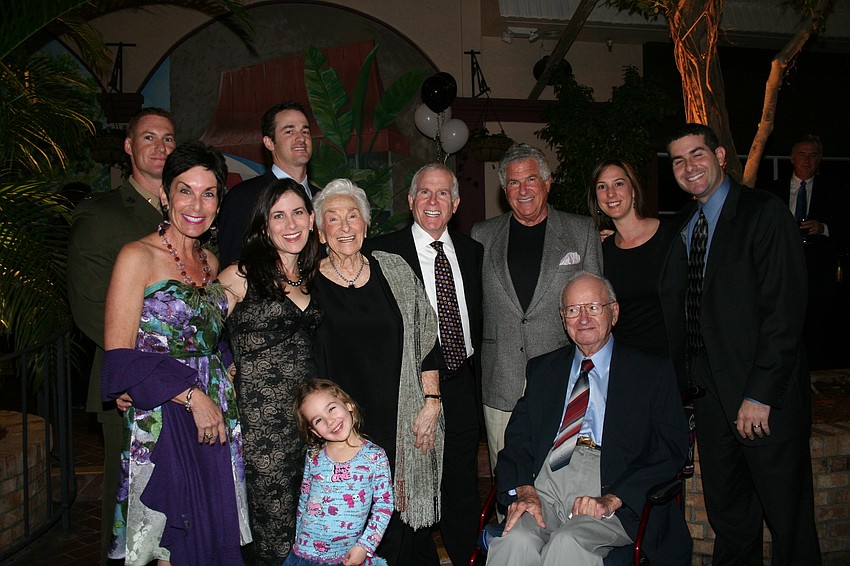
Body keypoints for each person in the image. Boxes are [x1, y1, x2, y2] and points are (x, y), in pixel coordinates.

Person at [659, 123, 820, 564]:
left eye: (697, 154)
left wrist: (760, 394)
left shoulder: (763, 213)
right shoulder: (685, 225)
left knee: (788, 520)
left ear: (720, 157)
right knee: (730, 518)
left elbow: (784, 312)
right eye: (678, 160)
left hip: (761, 397)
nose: (688, 167)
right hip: (709, 397)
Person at [101, 141, 251, 565]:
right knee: (172, 540)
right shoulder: (137, 256)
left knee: (210, 530)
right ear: (165, 195)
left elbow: (207, 335)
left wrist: (227, 365)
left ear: (219, 203)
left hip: (217, 409)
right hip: (164, 411)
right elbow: (118, 356)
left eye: (208, 194)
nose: (196, 205)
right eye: (185, 190)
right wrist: (192, 397)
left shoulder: (210, 261)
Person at [487, 272, 690, 566]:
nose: (583, 318)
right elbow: (519, 439)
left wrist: (613, 499)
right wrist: (526, 491)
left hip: (612, 485)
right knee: (516, 540)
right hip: (548, 484)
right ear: (563, 318)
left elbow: (671, 449)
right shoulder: (544, 370)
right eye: (573, 310)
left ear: (614, 312)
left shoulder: (650, 372)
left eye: (593, 307)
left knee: (568, 542)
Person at [312, 179, 443, 566]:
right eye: (333, 219)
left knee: (398, 526)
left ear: (366, 225)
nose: (345, 226)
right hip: (340, 430)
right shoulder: (307, 284)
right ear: (320, 232)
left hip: (399, 422)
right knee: (351, 525)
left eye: (353, 216)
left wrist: (432, 402)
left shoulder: (394, 269)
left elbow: (427, 338)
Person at [67, 107, 176, 565]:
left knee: (178, 512)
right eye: (148, 137)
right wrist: (136, 372)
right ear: (129, 146)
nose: (160, 147)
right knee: (129, 514)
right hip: (130, 388)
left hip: (190, 384)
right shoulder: (102, 214)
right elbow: (90, 305)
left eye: (168, 139)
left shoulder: (191, 210)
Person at [368, 163, 483, 565]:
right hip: (409, 386)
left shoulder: (472, 251)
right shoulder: (381, 253)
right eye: (424, 193)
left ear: (456, 203)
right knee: (411, 481)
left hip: (462, 380)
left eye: (442, 193)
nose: (433, 201)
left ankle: (467, 557)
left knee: (461, 482)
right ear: (410, 200)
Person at [471, 143, 603, 476]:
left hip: (564, 379)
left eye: (531, 179)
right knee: (507, 480)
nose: (523, 190)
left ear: (547, 182)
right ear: (505, 190)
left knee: (561, 476)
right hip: (501, 381)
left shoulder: (581, 231)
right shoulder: (482, 235)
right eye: (514, 183)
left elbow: (596, 310)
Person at [218, 178, 323, 565]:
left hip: (311, 427)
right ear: (264, 226)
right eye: (278, 216)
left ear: (311, 219)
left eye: (298, 213)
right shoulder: (240, 276)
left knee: (310, 529)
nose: (290, 224)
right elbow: (195, 334)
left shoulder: (315, 276)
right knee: (273, 537)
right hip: (261, 431)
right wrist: (224, 366)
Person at [285, 378, 394, 566]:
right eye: (319, 420)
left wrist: (365, 546)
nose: (329, 421)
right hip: (304, 554)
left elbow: (384, 505)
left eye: (331, 409)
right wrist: (298, 540)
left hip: (346, 556)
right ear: (315, 431)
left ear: (348, 404)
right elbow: (304, 498)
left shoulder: (374, 456)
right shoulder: (314, 455)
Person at [767, 134, 847, 369]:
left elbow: (844, 227)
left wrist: (822, 228)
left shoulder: (833, 190)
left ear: (819, 159)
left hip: (817, 269)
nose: (807, 160)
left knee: (817, 323)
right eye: (802, 155)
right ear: (792, 158)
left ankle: (815, 368)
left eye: (812, 156)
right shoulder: (774, 190)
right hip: (783, 267)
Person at [588, 158, 676, 360]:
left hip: (671, 360)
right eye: (602, 187)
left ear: (634, 190)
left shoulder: (671, 237)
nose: (611, 193)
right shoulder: (602, 251)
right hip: (625, 360)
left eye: (619, 183)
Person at [217, 101, 319, 266]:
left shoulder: (323, 198)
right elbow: (232, 264)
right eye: (289, 131)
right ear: (269, 142)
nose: (301, 138)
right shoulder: (242, 198)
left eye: (305, 131)